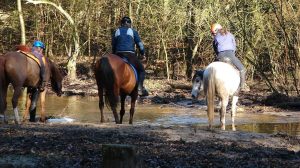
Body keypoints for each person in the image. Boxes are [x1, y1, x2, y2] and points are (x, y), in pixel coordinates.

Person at [112, 16, 149, 96]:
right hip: (129, 54)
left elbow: (113, 45)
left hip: (118, 55)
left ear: (121, 23)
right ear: (129, 23)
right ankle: (139, 88)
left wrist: (114, 55)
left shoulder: (116, 31)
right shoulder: (132, 31)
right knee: (141, 70)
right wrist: (143, 53)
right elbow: (140, 44)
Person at [210, 23, 246, 95]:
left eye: (213, 33)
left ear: (216, 30)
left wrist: (218, 56)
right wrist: (232, 54)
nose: (213, 35)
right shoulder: (230, 34)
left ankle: (208, 85)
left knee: (211, 70)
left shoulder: (215, 37)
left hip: (220, 55)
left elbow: (215, 48)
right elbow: (234, 46)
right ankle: (242, 86)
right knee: (242, 69)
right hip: (231, 54)